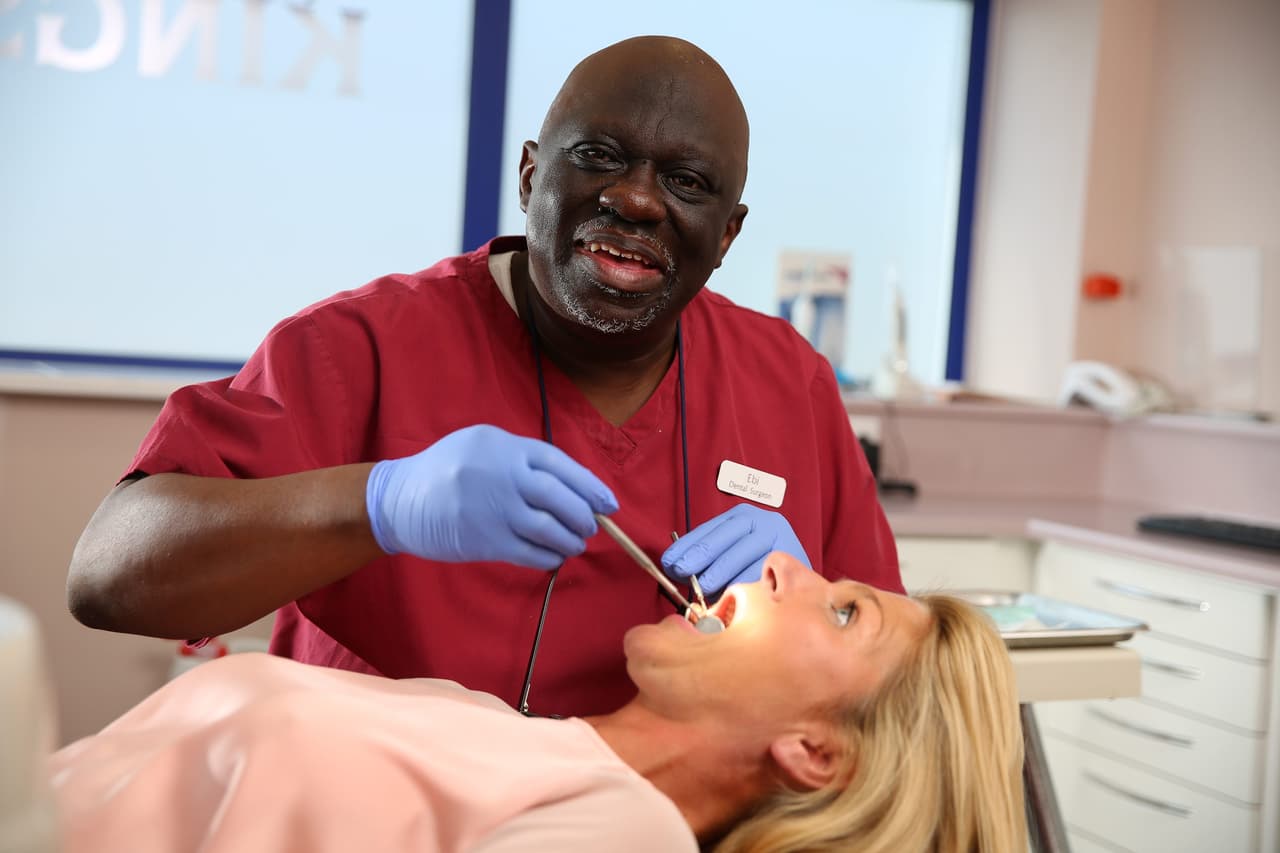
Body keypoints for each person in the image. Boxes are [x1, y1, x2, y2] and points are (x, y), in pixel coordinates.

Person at [66, 36, 902, 718]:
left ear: (728, 235)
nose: (638, 202)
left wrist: (827, 600)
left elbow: (901, 673)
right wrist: (381, 502)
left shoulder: (787, 380)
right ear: (532, 174)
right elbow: (107, 574)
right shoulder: (361, 348)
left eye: (686, 184)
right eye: (601, 157)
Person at [50, 553, 1026, 853]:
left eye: (843, 608)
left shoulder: (617, 830)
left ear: (815, 752)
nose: (782, 560)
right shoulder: (502, 735)